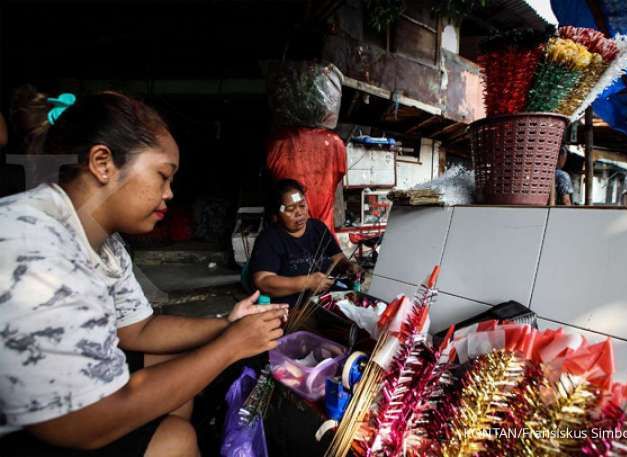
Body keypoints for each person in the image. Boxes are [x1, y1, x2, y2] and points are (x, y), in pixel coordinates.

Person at [0, 90, 288, 456]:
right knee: (176, 441)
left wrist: (231, 326)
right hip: (30, 428)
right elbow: (83, 424)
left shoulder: (103, 242)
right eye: (162, 176)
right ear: (103, 163)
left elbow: (137, 329)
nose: (169, 194)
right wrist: (231, 347)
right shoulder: (35, 249)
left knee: (178, 384)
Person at [248, 179, 360, 306]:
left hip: (330, 302)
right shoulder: (269, 239)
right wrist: (308, 282)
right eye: (290, 209)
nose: (299, 213)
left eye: (302, 205)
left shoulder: (318, 228)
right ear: (275, 215)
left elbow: (337, 258)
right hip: (293, 310)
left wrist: (348, 266)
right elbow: (263, 282)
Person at [266, 127, 346, 233]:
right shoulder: (334, 141)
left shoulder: (278, 142)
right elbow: (339, 172)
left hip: (298, 230)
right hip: (319, 223)